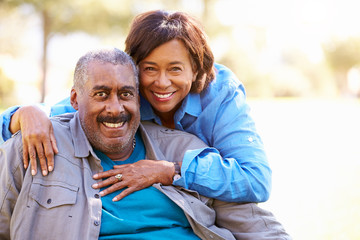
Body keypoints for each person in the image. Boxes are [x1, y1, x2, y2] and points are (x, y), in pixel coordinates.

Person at [0, 48, 291, 240]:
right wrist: (22, 113)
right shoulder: (35, 145)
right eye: (101, 95)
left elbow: (257, 227)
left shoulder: (186, 152)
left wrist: (171, 171)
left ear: (139, 98)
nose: (115, 109)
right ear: (75, 100)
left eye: (126, 94)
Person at [0, 10, 271, 203]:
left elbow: (255, 180)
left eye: (175, 69)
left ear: (195, 69)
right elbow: (59, 112)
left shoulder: (221, 94)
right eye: (149, 69)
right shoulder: (125, 95)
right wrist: (24, 114)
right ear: (133, 68)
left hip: (203, 208)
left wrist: (169, 170)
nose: (161, 82)